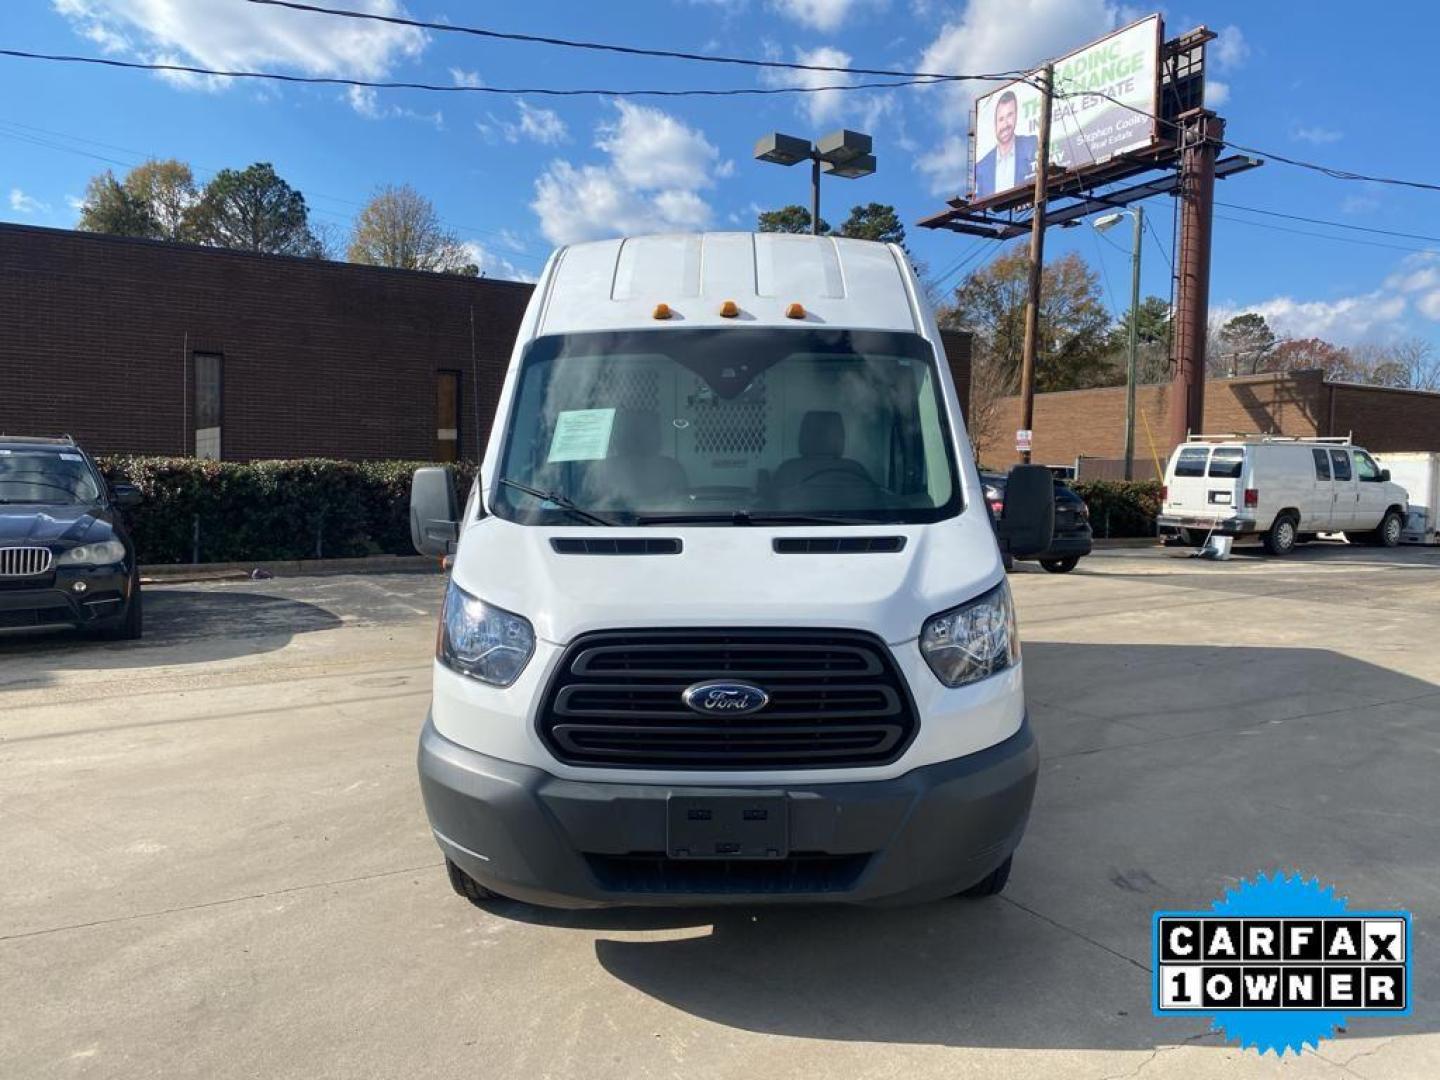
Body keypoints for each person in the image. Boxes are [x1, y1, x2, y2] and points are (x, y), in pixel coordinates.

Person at [974, 89, 1039, 199]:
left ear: (1016, 116)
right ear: (995, 123)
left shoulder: (1031, 144)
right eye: (1001, 119)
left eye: (1010, 115)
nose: (1005, 124)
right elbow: (981, 199)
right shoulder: (982, 167)